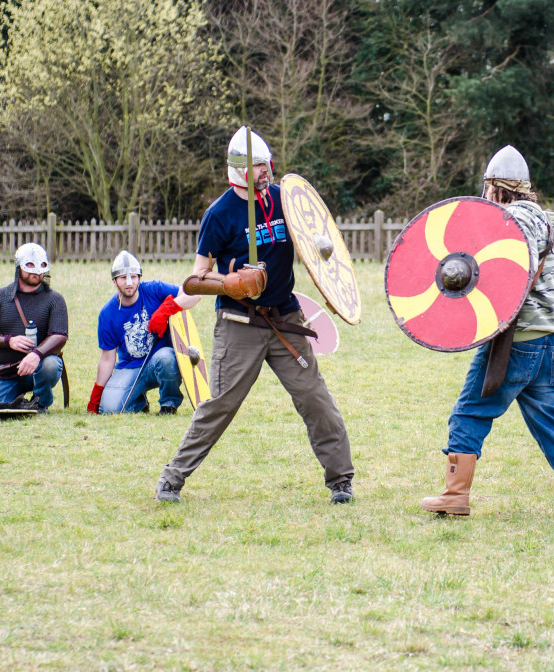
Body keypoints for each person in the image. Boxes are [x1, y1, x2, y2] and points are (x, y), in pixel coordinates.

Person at [154, 126, 355, 504]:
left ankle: (341, 479)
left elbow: (319, 244)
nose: (266, 170)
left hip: (286, 320)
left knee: (315, 397)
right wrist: (229, 283)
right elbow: (197, 279)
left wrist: (327, 261)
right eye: (258, 165)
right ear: (238, 170)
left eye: (267, 163)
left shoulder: (285, 201)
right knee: (221, 405)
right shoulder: (219, 214)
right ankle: (172, 477)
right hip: (238, 325)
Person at [420, 146, 554, 517]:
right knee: (552, 427)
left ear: (495, 188)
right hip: (551, 342)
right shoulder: (547, 222)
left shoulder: (511, 222)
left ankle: (455, 495)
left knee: (469, 412)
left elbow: (505, 278)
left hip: (516, 343)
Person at [87, 250, 200, 415]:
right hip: (130, 367)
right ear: (114, 282)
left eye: (133, 277)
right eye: (122, 278)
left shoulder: (153, 290)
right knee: (109, 409)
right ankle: (140, 401)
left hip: (159, 361)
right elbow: (107, 359)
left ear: (139, 277)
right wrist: (97, 395)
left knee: (167, 357)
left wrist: (167, 309)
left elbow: (194, 294)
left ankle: (168, 404)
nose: (129, 283)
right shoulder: (107, 314)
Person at [0, 242, 68, 412]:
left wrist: (36, 354)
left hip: (39, 367)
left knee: (50, 365)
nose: (36, 272)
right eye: (30, 265)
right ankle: (16, 397)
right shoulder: (0, 297)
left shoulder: (55, 299)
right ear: (19, 267)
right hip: (7, 370)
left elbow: (60, 335)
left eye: (40, 266)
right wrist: (8, 341)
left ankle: (40, 401)